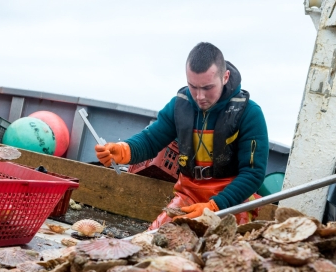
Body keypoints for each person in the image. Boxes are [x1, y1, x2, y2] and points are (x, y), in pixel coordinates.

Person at [95, 42, 269, 229]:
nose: (200, 96)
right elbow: (151, 140)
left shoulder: (250, 113)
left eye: (208, 87)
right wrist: (125, 150)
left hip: (232, 200)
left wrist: (215, 206)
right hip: (188, 195)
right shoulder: (179, 106)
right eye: (193, 86)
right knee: (151, 240)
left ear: (225, 77)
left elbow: (253, 174)